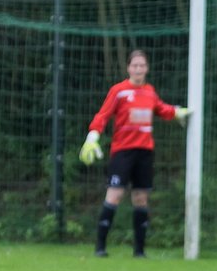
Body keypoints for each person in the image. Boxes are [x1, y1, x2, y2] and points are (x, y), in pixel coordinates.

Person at [79, 49, 191, 258]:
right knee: (115, 194)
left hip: (144, 152)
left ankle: (139, 251)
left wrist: (177, 112)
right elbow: (103, 115)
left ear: (147, 68)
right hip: (122, 152)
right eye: (135, 65)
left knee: (141, 198)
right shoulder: (119, 91)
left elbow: (160, 108)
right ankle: (100, 247)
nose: (138, 69)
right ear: (128, 68)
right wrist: (93, 136)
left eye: (142, 65)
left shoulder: (149, 91)